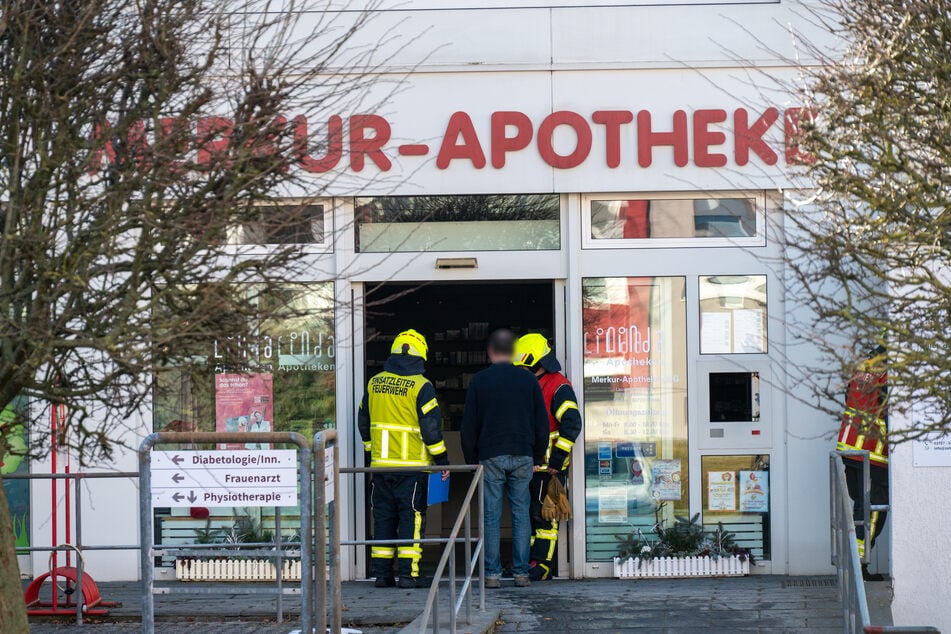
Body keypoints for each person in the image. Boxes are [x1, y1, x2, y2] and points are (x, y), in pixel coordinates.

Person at [358, 329, 450, 589]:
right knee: (412, 518)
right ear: (421, 355)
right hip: (413, 468)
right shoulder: (422, 386)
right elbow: (431, 429)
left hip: (380, 468)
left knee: (384, 518)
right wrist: (443, 461)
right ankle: (409, 575)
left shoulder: (374, 383)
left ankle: (382, 575)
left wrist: (370, 450)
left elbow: (363, 420)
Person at [461, 328, 549, 589]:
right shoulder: (529, 381)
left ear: (490, 351)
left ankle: (492, 575)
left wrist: (471, 458)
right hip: (523, 454)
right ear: (513, 353)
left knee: (491, 515)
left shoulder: (479, 381)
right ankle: (521, 573)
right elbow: (541, 422)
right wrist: (537, 454)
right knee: (521, 513)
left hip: (490, 456)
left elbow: (469, 426)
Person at [513, 333, 583, 581]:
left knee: (545, 518)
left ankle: (541, 565)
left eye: (522, 364)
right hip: (528, 465)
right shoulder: (528, 384)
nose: (520, 369)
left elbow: (572, 424)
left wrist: (556, 460)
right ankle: (530, 562)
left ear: (533, 361)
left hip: (548, 468)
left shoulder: (558, 385)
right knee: (529, 517)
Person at [836, 344, 889, 576]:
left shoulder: (859, 373)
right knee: (875, 510)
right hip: (872, 453)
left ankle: (857, 565)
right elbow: (890, 412)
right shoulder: (886, 377)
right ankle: (860, 566)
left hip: (850, 450)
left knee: (860, 507)